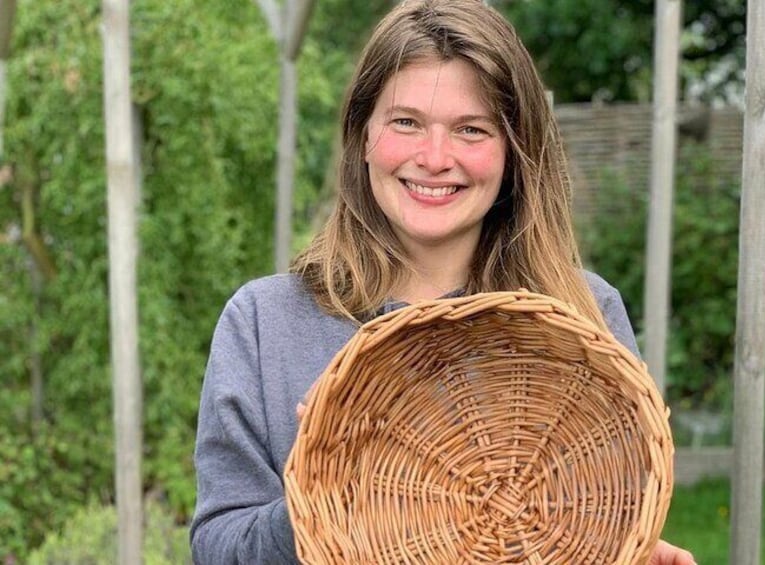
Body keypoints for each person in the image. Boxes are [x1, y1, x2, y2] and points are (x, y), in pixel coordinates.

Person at [190, 1, 697, 563]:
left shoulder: (584, 316)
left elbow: (604, 522)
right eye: (406, 122)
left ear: (514, 152)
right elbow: (219, 548)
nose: (434, 158)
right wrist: (320, 490)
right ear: (363, 136)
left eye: (471, 130)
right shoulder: (266, 323)